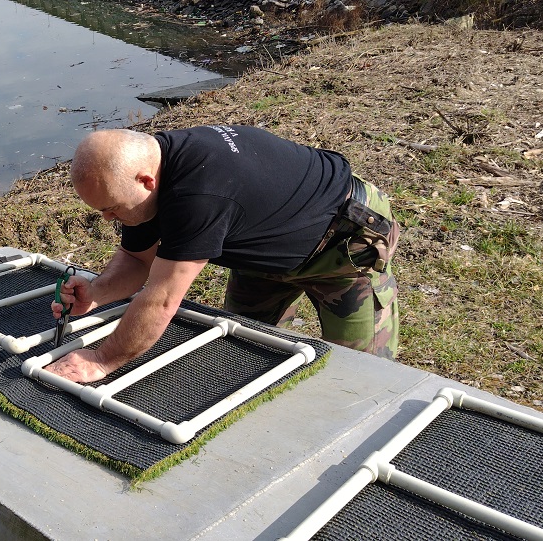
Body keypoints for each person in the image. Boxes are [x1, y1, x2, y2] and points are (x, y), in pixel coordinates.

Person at [46, 125, 400, 384]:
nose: (108, 218)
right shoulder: (147, 175)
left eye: (112, 208)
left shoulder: (199, 196)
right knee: (241, 349)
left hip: (343, 242)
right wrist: (96, 293)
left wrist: (102, 360)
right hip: (263, 242)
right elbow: (139, 260)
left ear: (146, 181)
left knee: (362, 374)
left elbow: (162, 299)